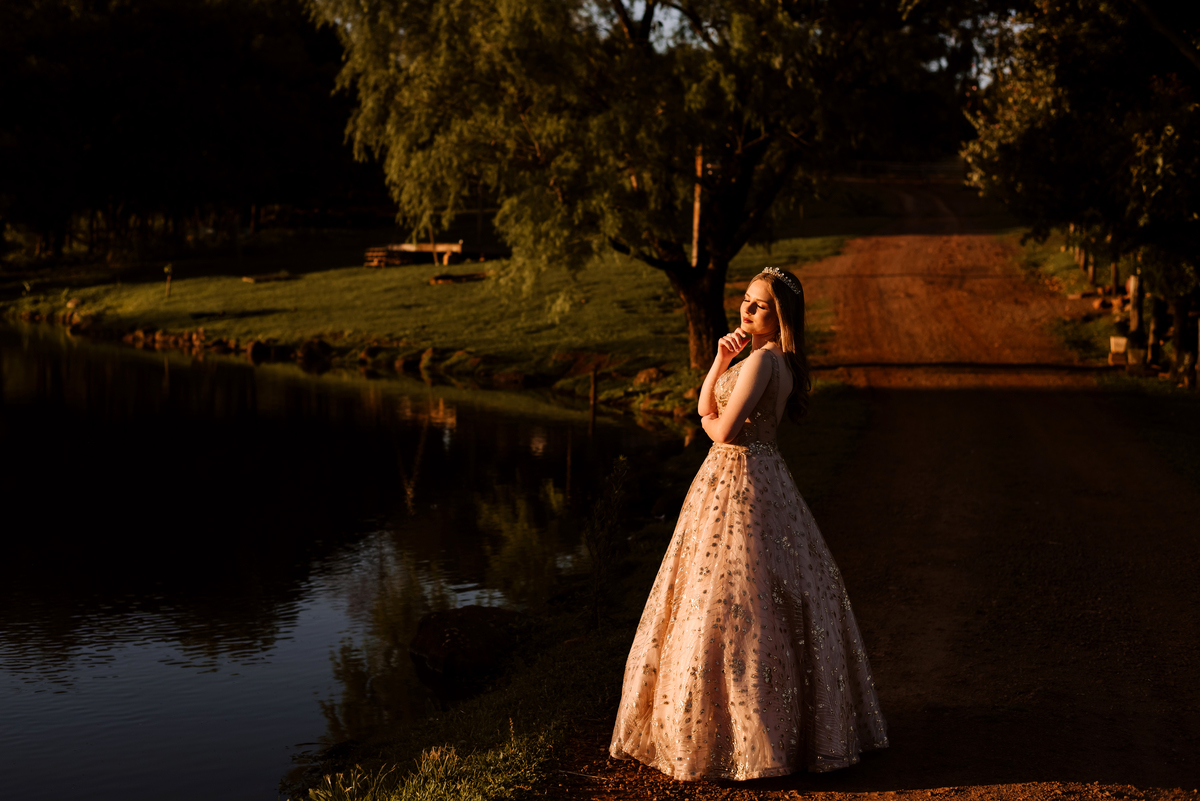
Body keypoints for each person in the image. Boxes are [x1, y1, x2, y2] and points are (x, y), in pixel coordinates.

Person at [609, 266, 888, 781]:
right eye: (746, 299)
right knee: (743, 594)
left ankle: (739, 736)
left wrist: (711, 422)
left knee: (736, 599)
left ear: (779, 315)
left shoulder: (763, 362)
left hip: (740, 479)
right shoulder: (765, 358)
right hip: (756, 474)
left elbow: (722, 431)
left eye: (760, 304)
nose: (747, 308)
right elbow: (702, 406)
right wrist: (719, 361)